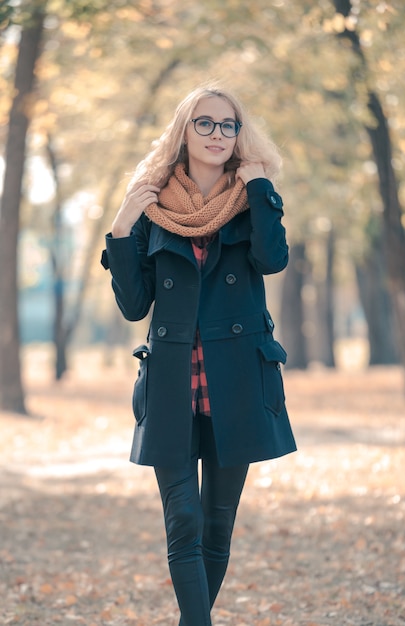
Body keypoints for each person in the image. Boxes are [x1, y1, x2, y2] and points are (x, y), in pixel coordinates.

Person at [101, 84, 297, 626]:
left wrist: (260, 189)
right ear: (183, 131)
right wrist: (121, 229)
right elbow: (134, 304)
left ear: (240, 135)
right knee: (182, 521)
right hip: (172, 383)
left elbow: (272, 259)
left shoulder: (252, 196)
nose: (217, 134)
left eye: (228, 125)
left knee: (216, 523)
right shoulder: (150, 202)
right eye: (204, 123)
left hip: (236, 381)